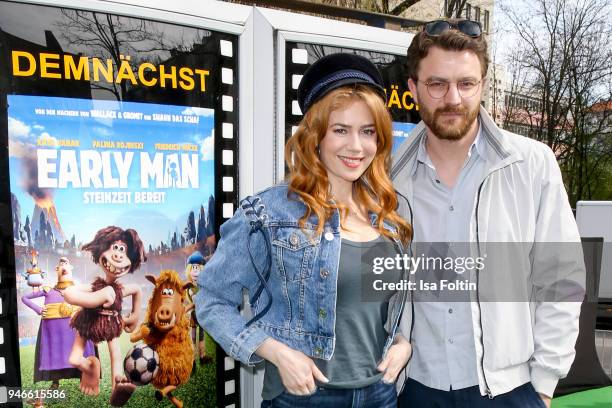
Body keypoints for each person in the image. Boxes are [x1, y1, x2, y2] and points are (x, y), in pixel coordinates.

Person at [196, 53, 413, 407]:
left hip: (380, 393)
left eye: (367, 131)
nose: (356, 146)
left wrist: (402, 343)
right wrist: (279, 354)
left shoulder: (388, 215)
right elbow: (210, 300)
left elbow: (378, 309)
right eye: (340, 130)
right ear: (315, 136)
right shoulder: (270, 212)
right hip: (305, 397)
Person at [391, 19, 585, 408]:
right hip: (414, 388)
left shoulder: (531, 164)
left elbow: (561, 278)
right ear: (413, 89)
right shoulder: (385, 174)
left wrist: (544, 385)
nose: (453, 99)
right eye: (436, 84)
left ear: (482, 85)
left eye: (466, 84)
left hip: (510, 391)